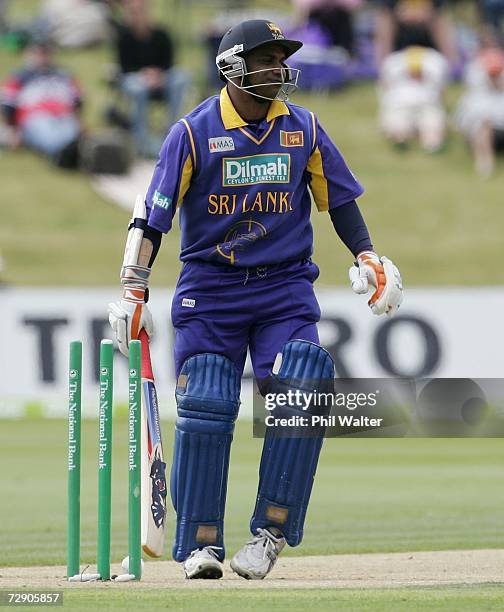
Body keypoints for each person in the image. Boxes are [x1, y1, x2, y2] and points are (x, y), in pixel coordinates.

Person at [108, 19, 403, 580]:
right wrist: (133, 287)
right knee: (209, 402)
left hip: (284, 286)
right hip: (210, 290)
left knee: (304, 385)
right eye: (265, 58)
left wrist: (367, 254)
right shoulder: (193, 132)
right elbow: (151, 216)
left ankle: (269, 534)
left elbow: (338, 200)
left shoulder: (304, 128)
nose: (277, 68)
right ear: (232, 67)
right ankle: (201, 543)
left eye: (279, 58)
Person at [112, 0, 190, 157]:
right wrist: (145, 75)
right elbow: (124, 67)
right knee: (138, 88)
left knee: (182, 77)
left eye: (140, 11)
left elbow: (169, 63)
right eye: (132, 12)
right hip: (135, 79)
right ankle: (141, 141)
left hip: (161, 78)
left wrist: (158, 75)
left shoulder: (162, 34)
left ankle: (172, 133)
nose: (137, 16)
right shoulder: (123, 37)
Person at [0, 38, 82, 167]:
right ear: (30, 54)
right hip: (34, 117)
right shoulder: (20, 76)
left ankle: (71, 152)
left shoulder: (64, 75)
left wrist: (79, 122)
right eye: (38, 53)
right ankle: (63, 154)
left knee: (70, 129)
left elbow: (77, 101)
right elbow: (7, 105)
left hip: (63, 114)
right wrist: (12, 130)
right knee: (46, 131)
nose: (42, 57)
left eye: (46, 53)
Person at [378, 45, 449, 152]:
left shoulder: (435, 62)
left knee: (432, 124)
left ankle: (431, 143)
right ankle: (402, 137)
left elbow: (441, 92)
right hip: (401, 104)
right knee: (397, 124)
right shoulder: (393, 63)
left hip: (427, 104)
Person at [454, 44, 504, 176]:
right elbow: (461, 122)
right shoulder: (474, 95)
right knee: (483, 126)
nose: (494, 77)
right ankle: (485, 163)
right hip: (480, 134)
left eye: (497, 73)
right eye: (492, 73)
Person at [373, 0, 459, 68]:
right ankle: (382, 67)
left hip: (428, 39)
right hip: (400, 39)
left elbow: (436, 11)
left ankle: (451, 67)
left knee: (440, 20)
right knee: (385, 20)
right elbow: (388, 11)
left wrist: (423, 14)